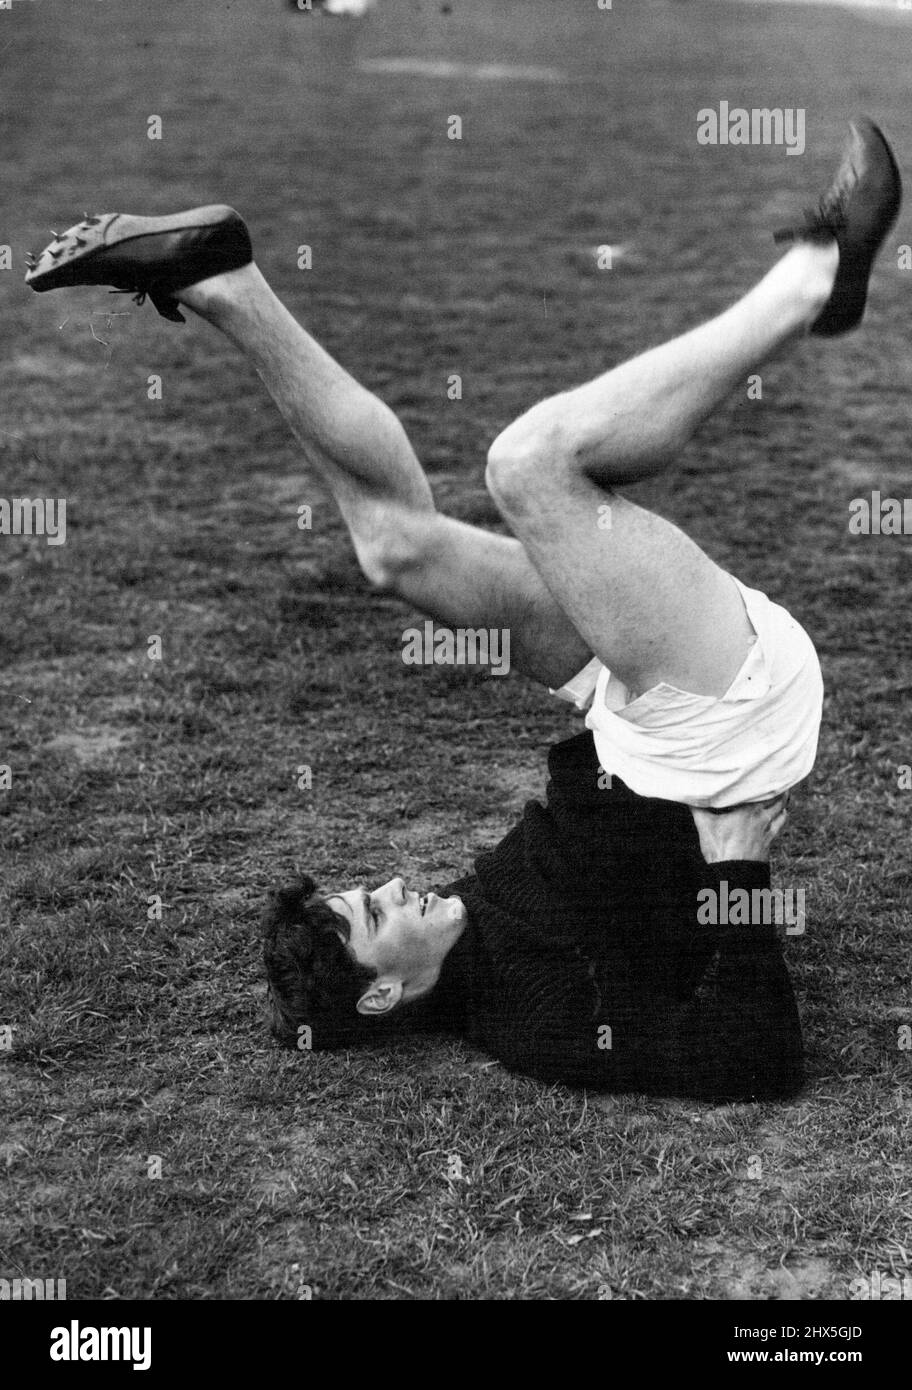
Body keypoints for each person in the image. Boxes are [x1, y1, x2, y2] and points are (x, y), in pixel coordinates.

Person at [26, 118, 901, 1100]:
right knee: (533, 467)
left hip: (631, 718)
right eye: (371, 914)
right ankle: (816, 284)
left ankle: (221, 280)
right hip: (723, 724)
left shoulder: (472, 919)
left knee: (398, 550)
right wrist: (738, 878)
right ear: (382, 994)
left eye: (362, 889)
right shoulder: (532, 1017)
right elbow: (751, 1059)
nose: (390, 884)